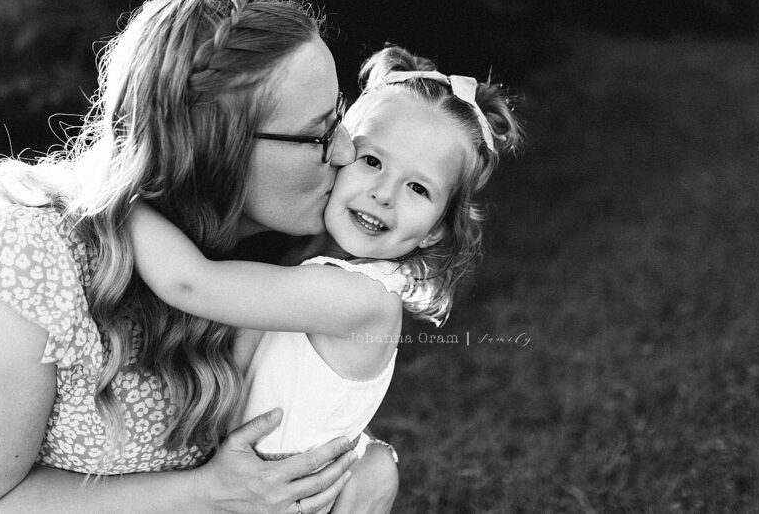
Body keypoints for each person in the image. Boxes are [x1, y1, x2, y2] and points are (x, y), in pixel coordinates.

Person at [0, 0, 399, 514]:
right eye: (319, 133)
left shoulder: (282, 264)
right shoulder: (32, 253)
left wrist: (368, 469)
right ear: (209, 149)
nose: (346, 151)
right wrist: (206, 494)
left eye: (340, 116)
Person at [127, 45, 523, 459]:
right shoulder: (311, 258)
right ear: (338, 150)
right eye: (372, 161)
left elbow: (190, 283)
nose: (384, 194)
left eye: (418, 188)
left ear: (436, 230)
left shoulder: (360, 297)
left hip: (273, 486)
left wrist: (121, 199)